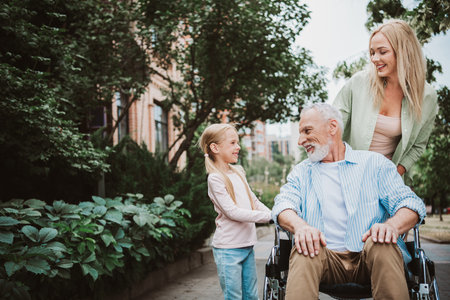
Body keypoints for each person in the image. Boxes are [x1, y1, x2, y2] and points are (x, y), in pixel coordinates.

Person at [272, 103, 426, 300]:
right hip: (324, 258)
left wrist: (392, 226)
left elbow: (410, 203)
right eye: (300, 134)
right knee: (306, 246)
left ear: (332, 127)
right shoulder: (301, 173)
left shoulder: (374, 164)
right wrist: (300, 227)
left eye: (307, 131)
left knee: (382, 241)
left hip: (370, 256)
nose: (301, 140)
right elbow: (283, 204)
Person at [333, 19, 438, 179]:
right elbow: (331, 127)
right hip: (349, 175)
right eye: (372, 53)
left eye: (382, 52)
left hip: (387, 179)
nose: (374, 59)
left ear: (403, 52)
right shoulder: (358, 83)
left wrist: (393, 175)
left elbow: (417, 146)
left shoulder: (427, 96)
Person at [199, 123, 271, 300]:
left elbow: (253, 201)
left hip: (247, 245)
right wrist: (270, 217)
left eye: (237, 142)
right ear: (215, 148)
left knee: (251, 295)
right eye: (232, 143)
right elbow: (233, 212)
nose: (238, 147)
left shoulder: (238, 172)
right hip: (228, 250)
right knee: (234, 297)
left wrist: (275, 213)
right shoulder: (215, 179)